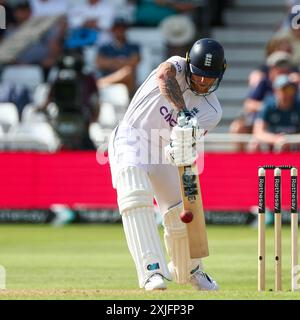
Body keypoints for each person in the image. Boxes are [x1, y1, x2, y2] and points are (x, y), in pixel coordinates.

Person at [108, 38, 226, 290]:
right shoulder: (176, 66)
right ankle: (152, 271)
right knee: (135, 194)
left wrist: (180, 147)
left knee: (180, 211)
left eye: (211, 77)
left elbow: (185, 144)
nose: (204, 81)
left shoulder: (212, 111)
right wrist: (183, 112)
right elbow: (164, 75)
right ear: (188, 64)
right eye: (200, 74)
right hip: (133, 137)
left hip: (163, 150)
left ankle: (189, 269)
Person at [253, 74, 300, 151]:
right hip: (272, 143)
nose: (287, 93)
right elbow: (258, 132)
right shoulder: (268, 105)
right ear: (276, 91)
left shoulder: (298, 105)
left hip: (295, 144)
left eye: (290, 89)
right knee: (255, 145)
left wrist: (290, 140)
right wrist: (276, 140)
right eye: (283, 89)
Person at [96, 17, 140, 96]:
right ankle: (104, 82)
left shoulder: (133, 46)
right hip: (109, 80)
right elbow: (99, 63)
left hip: (126, 83)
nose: (119, 31)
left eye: (122, 28)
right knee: (126, 71)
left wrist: (110, 62)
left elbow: (133, 63)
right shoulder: (104, 47)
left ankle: (102, 82)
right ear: (112, 30)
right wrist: (121, 62)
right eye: (117, 28)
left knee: (127, 72)